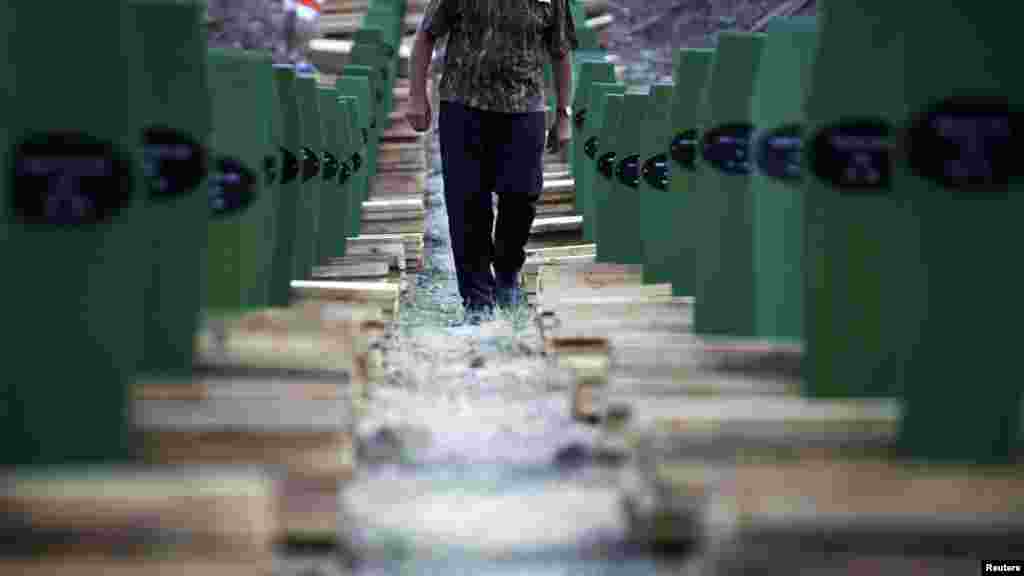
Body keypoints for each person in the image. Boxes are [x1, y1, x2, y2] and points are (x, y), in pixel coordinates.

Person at [407, 0, 578, 323]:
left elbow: (561, 50)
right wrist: (417, 95)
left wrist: (563, 114)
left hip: (524, 107)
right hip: (464, 105)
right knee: (467, 203)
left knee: (523, 194)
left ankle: (507, 271)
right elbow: (426, 35)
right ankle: (477, 299)